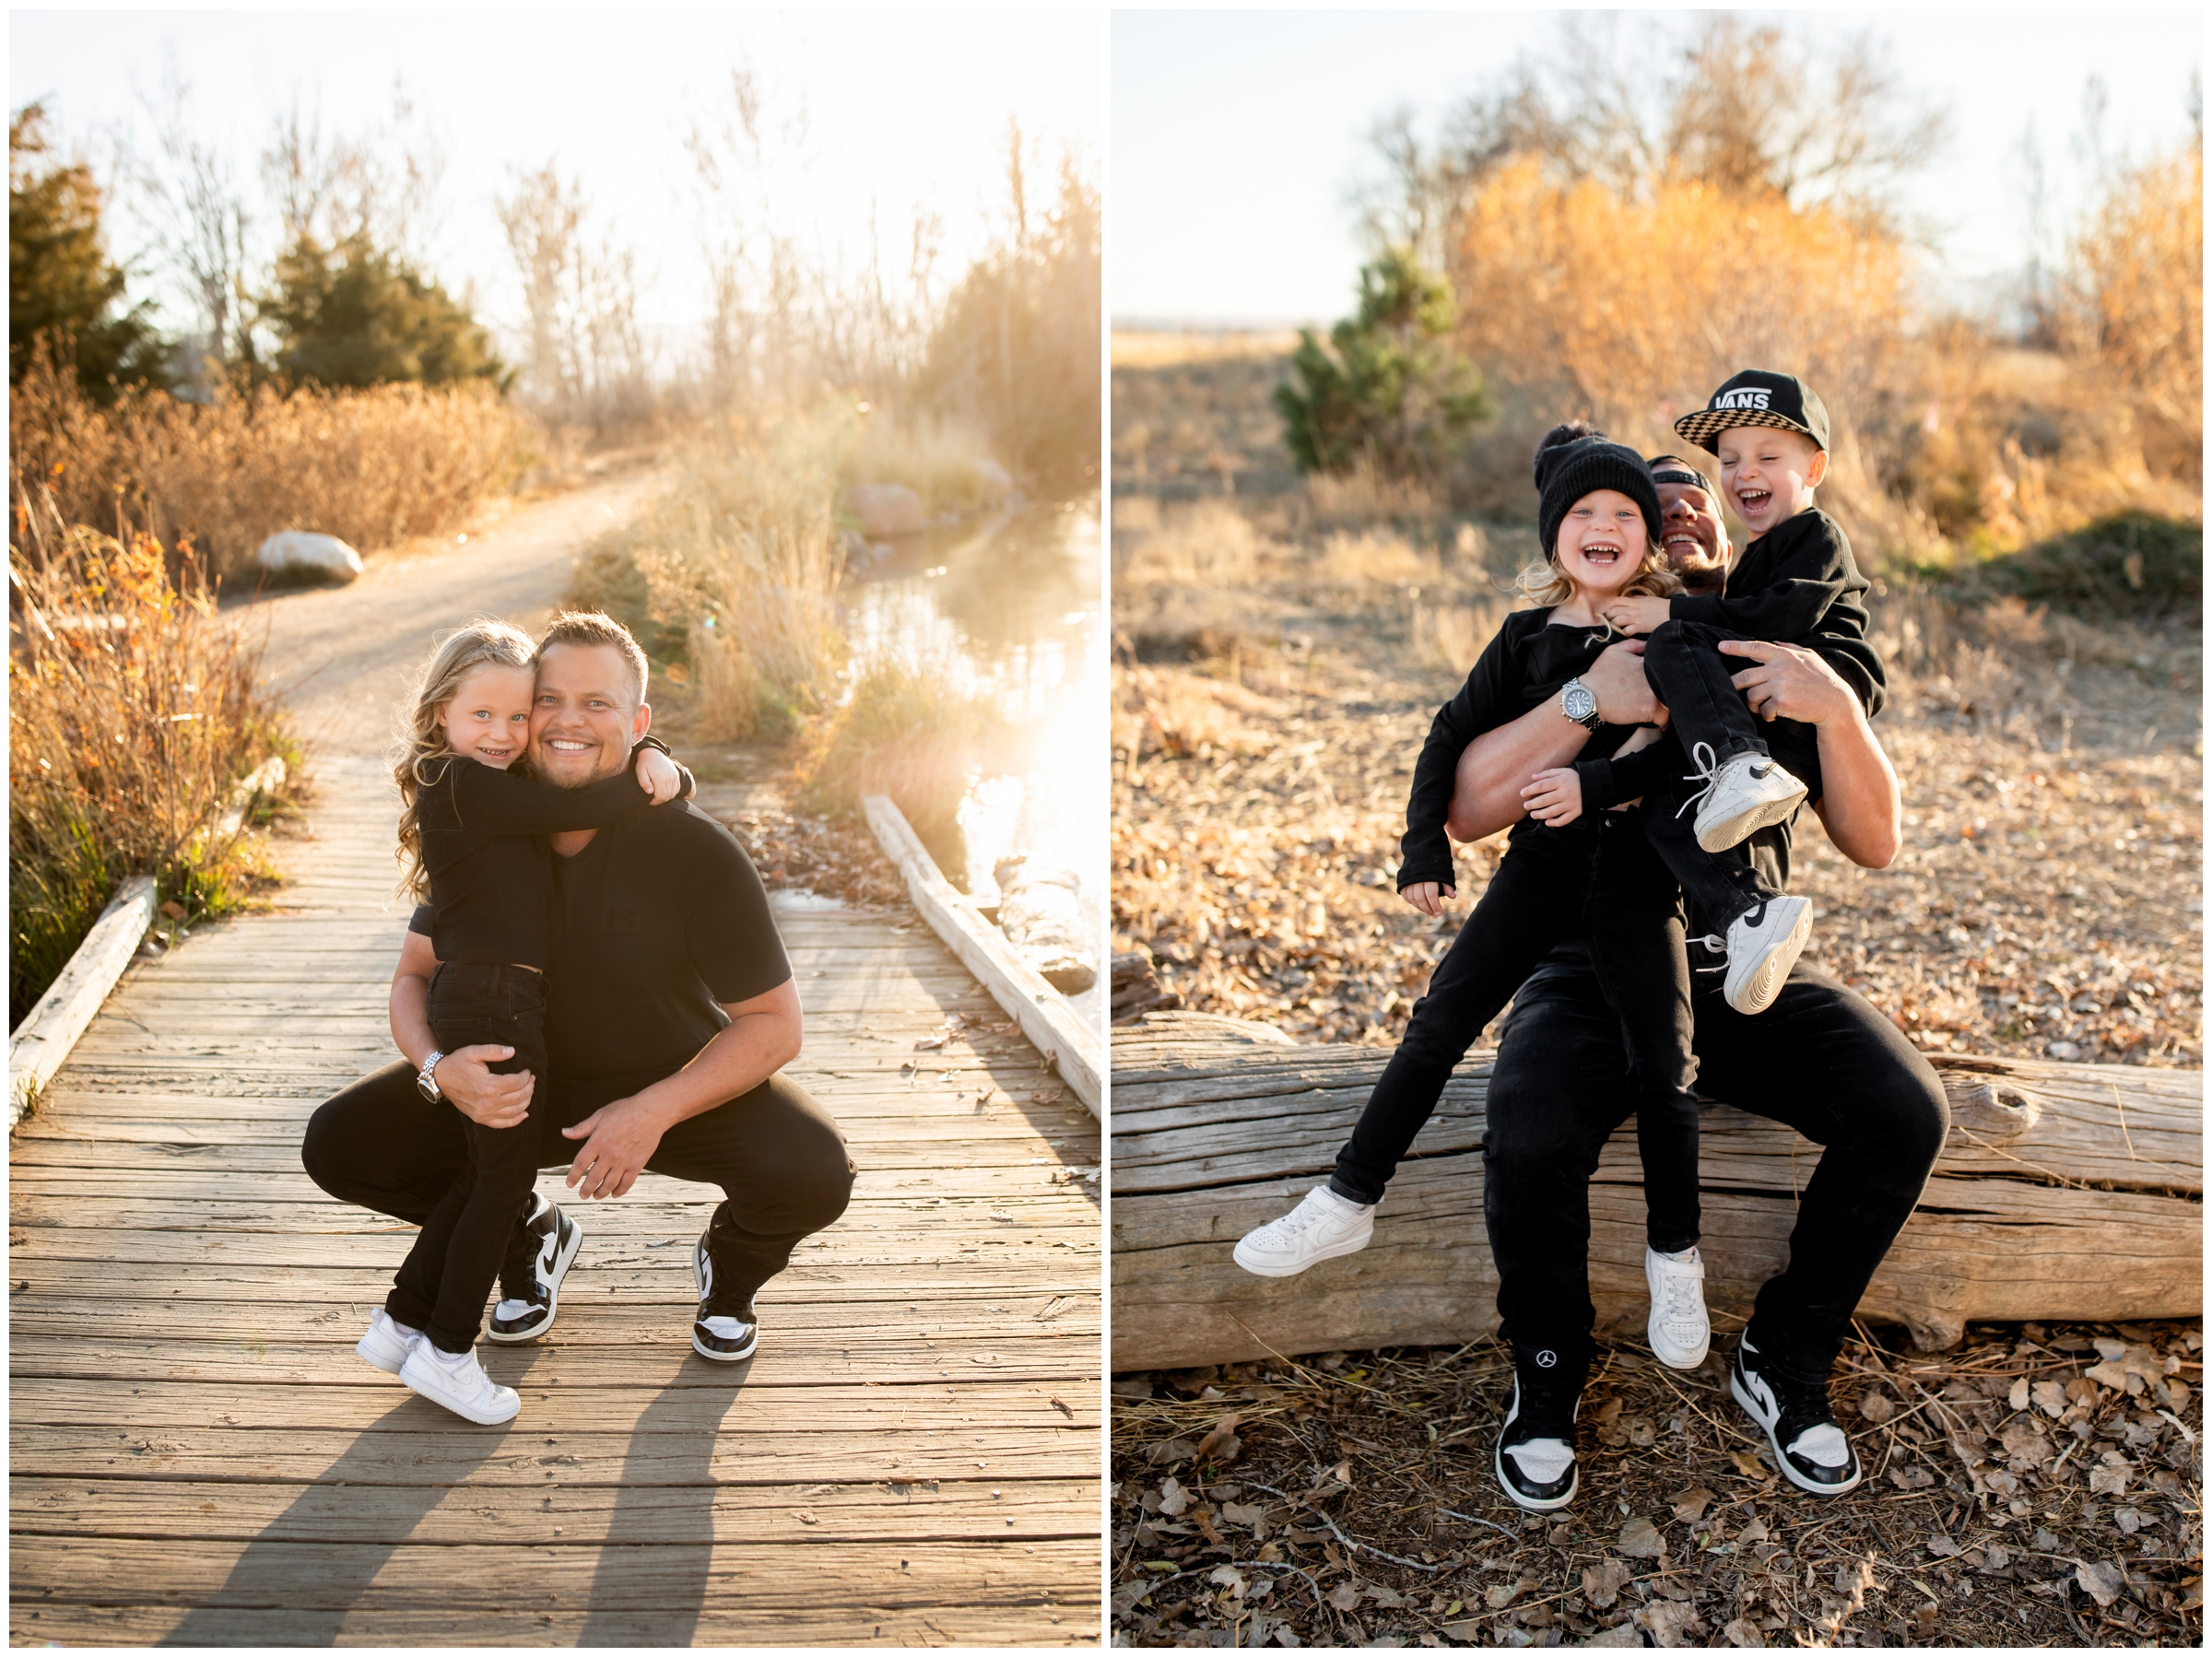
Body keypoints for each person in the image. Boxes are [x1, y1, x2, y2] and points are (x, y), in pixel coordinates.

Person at [1448, 452, 1948, 1511]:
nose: (1679, 516)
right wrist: (1592, 696)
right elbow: (1468, 805)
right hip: (1589, 974)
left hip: (1738, 975)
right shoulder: (1573, 634)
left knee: (1905, 1107)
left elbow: (1877, 841)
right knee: (1528, 1124)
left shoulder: (1774, 648)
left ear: (1731, 538)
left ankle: (1786, 1356)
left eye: (1696, 504)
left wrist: (1837, 711)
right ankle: (1546, 1375)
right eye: (1653, 507)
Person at [1232, 424, 1760, 1377]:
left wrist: (1595, 787)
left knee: (1665, 1066)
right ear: (1554, 537)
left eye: (1624, 516)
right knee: (1440, 1017)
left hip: (1639, 878)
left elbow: (1686, 756)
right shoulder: (1526, 637)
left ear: (1648, 540)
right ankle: (1348, 1198)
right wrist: (1422, 843)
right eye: (1583, 514)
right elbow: (1451, 734)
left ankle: (1673, 1254)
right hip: (1541, 867)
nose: (1604, 528)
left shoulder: (1672, 631)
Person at [303, 612, 855, 1388]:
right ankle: (523, 1238)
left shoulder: (694, 849)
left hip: (668, 1080)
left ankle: (729, 1273)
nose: (566, 721)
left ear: (638, 723)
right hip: (515, 1084)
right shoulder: (489, 819)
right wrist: (436, 1067)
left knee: (814, 1170)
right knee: (341, 1143)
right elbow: (412, 978)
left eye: (597, 704)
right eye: (547, 701)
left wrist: (654, 1111)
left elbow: (775, 1026)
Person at [349, 619, 691, 1425]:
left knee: (482, 1174)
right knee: (503, 1184)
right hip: (494, 1000)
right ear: (441, 715)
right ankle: (447, 1351)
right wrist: (663, 768)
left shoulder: (468, 781)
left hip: (491, 994)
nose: (503, 736)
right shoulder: (466, 782)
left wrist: (646, 747)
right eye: (483, 717)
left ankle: (401, 1321)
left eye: (518, 716)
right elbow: (587, 796)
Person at [1566, 370, 1881, 1017]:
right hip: (1601, 960)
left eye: (1769, 457)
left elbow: (1781, 622)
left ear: (1815, 467)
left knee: (1678, 645)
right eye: (1731, 459)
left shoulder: (1814, 538)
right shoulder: (1565, 642)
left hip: (1797, 706)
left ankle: (1739, 764)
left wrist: (1674, 619)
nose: (1744, 473)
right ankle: (1747, 919)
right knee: (1665, 813)